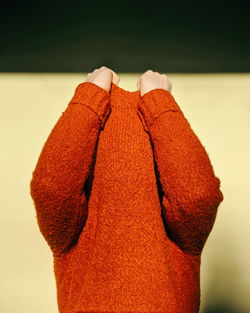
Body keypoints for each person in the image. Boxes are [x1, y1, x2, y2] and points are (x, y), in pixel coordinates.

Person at [30, 66, 224, 313]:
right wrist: (159, 100)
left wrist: (90, 95)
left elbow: (51, 188)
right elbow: (197, 196)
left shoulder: (69, 230)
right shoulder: (182, 234)